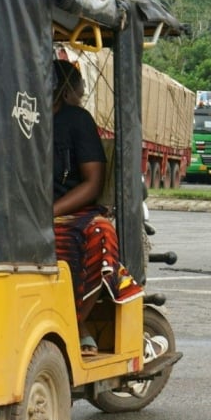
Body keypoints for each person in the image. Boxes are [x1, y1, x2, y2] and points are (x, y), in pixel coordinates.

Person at [51, 59, 143, 356]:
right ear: (66, 91)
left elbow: (92, 183)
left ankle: (75, 323)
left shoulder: (77, 120)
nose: (80, 98)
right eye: (79, 92)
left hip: (68, 213)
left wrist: (48, 212)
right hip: (19, 211)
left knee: (102, 232)